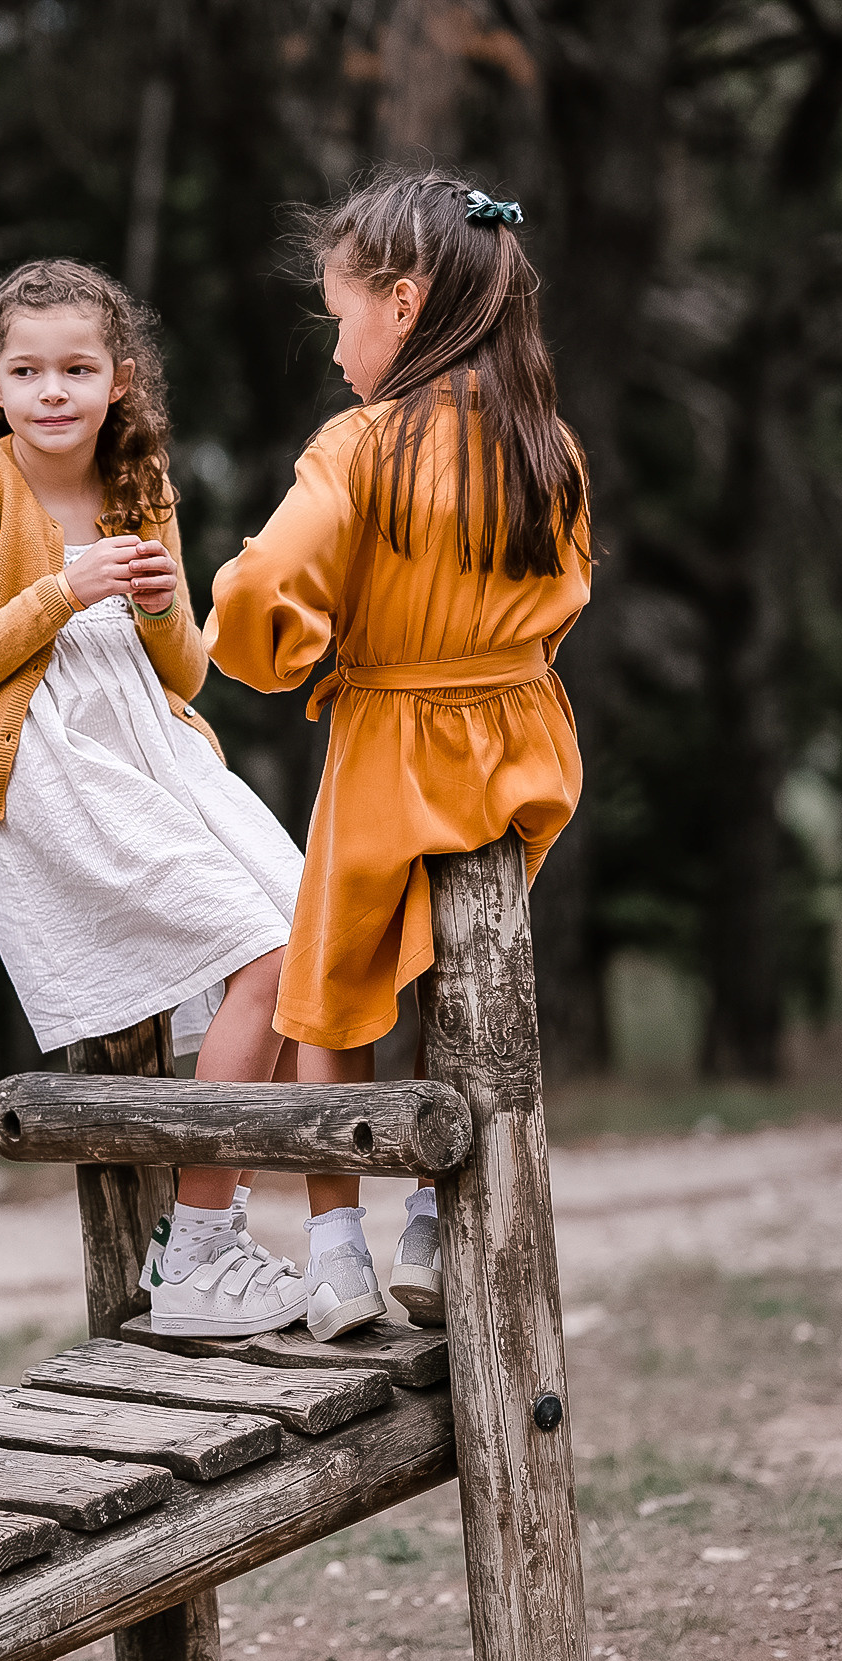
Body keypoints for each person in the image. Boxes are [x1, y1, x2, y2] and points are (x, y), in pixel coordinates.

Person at [0, 259, 386, 1342]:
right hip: (45, 765)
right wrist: (59, 591)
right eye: (28, 371)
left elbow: (184, 674)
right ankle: (199, 1248)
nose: (53, 391)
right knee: (262, 948)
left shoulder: (140, 477)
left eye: (77, 368)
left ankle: (232, 1236)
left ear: (119, 378)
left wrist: (166, 609)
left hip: (155, 749)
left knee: (299, 930)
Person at [208, 170, 595, 1327]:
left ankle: (337, 1246)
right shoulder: (547, 443)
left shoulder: (362, 445)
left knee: (331, 983)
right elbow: (565, 594)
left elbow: (268, 586)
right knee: (455, 977)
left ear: (404, 302)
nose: (335, 351)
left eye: (340, 318)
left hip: (394, 746)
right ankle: (433, 1214)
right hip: (521, 744)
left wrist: (266, 639)